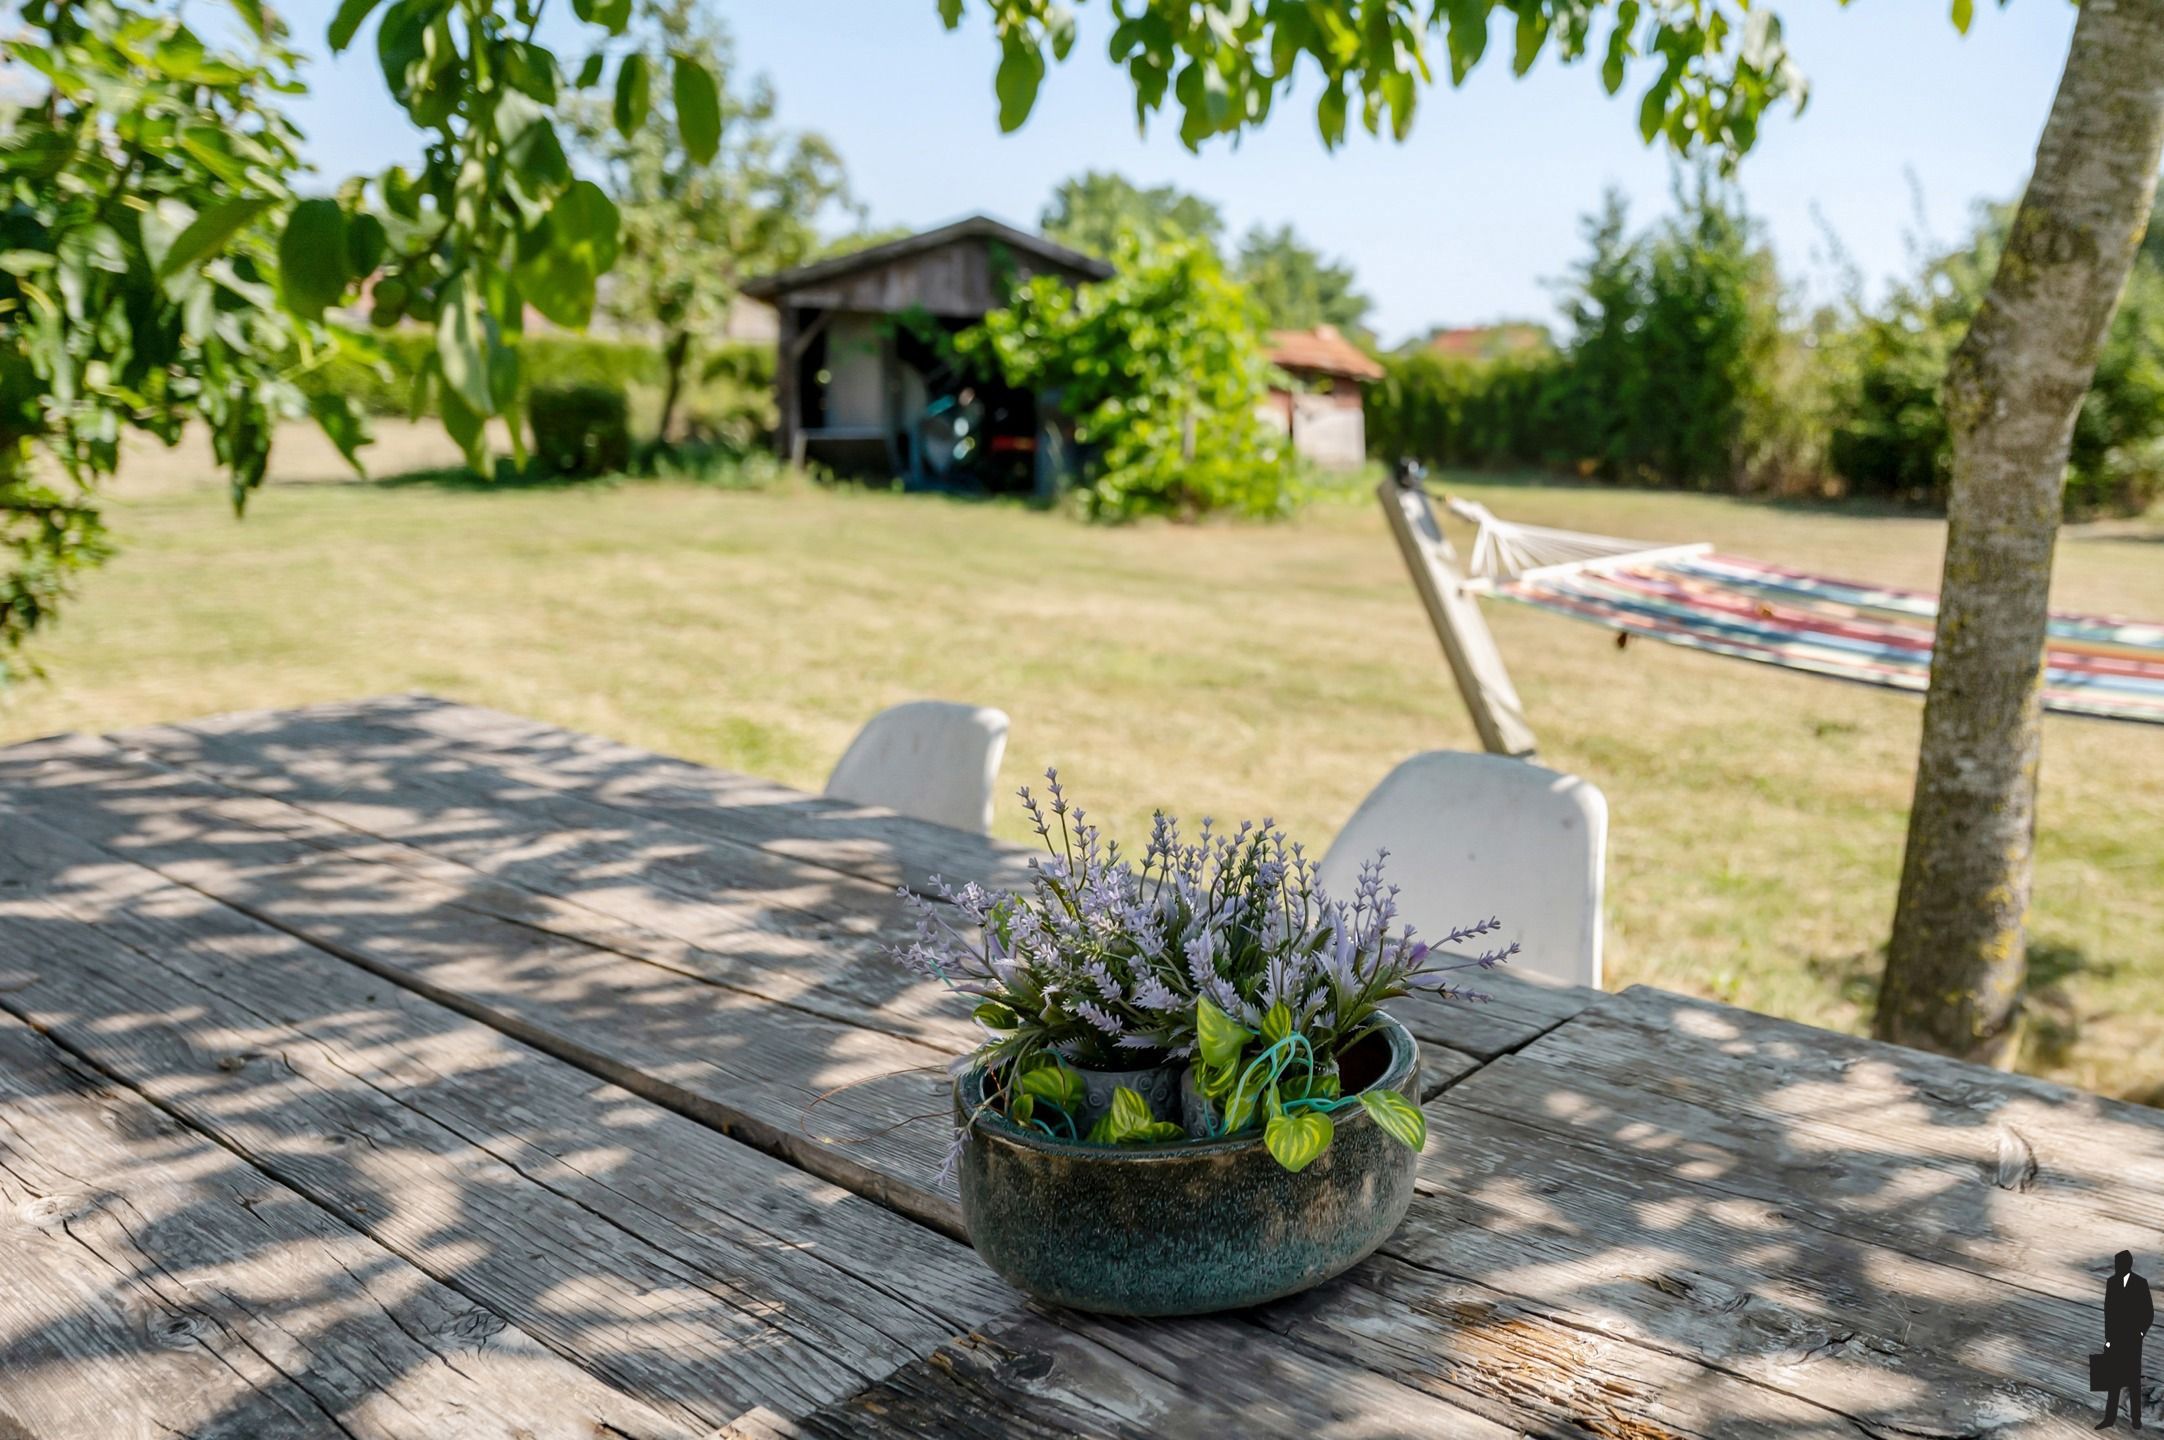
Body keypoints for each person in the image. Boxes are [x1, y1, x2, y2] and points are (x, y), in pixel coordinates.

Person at [2102, 1250, 2153, 1430]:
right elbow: (2109, 1312)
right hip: (2115, 1337)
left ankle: (2136, 1419)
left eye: (2122, 1263)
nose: (2119, 1266)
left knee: (2133, 1380)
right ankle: (2109, 1418)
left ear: (2129, 1264)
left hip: (2132, 1337)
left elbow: (2148, 1312)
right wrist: (2108, 1338)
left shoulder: (2140, 1283)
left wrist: (2140, 1333)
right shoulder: (2112, 1282)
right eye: (2117, 1263)